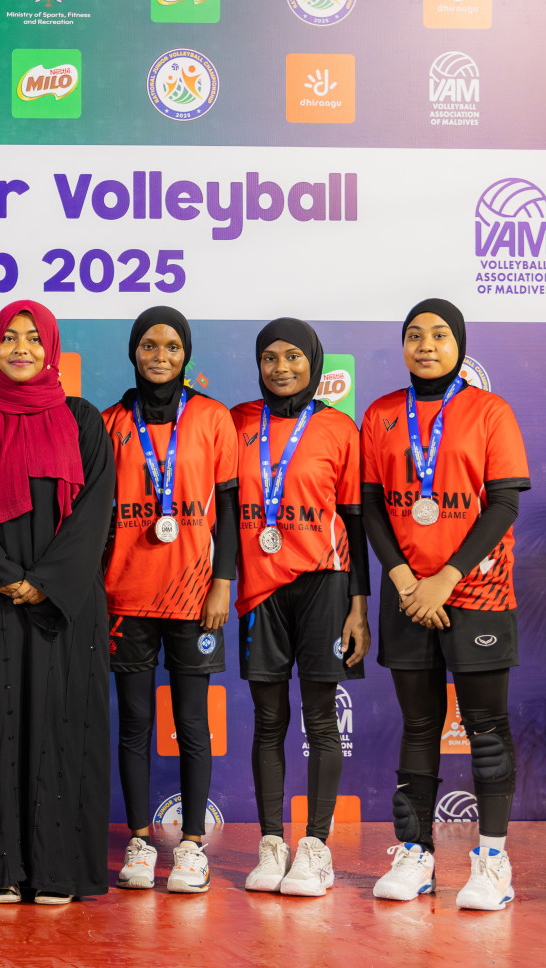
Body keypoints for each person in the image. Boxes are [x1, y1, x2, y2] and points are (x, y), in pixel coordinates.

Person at [0, 300, 114, 905]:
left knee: (59, 729)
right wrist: (5, 575)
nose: (20, 348)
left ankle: (56, 869)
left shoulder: (84, 420)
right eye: (9, 337)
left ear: (52, 347)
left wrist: (46, 581)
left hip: (63, 607)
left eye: (34, 338)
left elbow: (94, 515)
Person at [362, 299, 527, 911]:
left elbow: (504, 504)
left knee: (485, 729)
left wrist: (446, 578)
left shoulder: (490, 410)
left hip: (477, 591)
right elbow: (372, 509)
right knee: (420, 727)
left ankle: (492, 859)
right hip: (407, 593)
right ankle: (417, 855)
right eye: (413, 335)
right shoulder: (380, 415)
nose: (425, 345)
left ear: (458, 343)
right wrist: (408, 582)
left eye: (438, 335)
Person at [230, 318, 369, 897]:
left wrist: (359, 607)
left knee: (318, 719)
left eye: (293, 356)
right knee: (267, 721)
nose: (281, 367)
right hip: (260, 587)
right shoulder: (235, 422)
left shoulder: (341, 428)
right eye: (269, 357)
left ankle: (314, 847)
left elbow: (357, 522)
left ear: (313, 362)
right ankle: (270, 844)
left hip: (325, 584)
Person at [101, 307, 238, 894]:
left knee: (191, 725)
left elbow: (229, 509)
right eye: (150, 345)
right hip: (127, 593)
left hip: (194, 595)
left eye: (173, 346)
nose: (161, 355)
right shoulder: (109, 421)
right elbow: (95, 517)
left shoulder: (211, 419)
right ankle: (137, 839)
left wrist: (223, 582)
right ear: (134, 352)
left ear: (187, 355)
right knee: (133, 722)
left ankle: (190, 847)